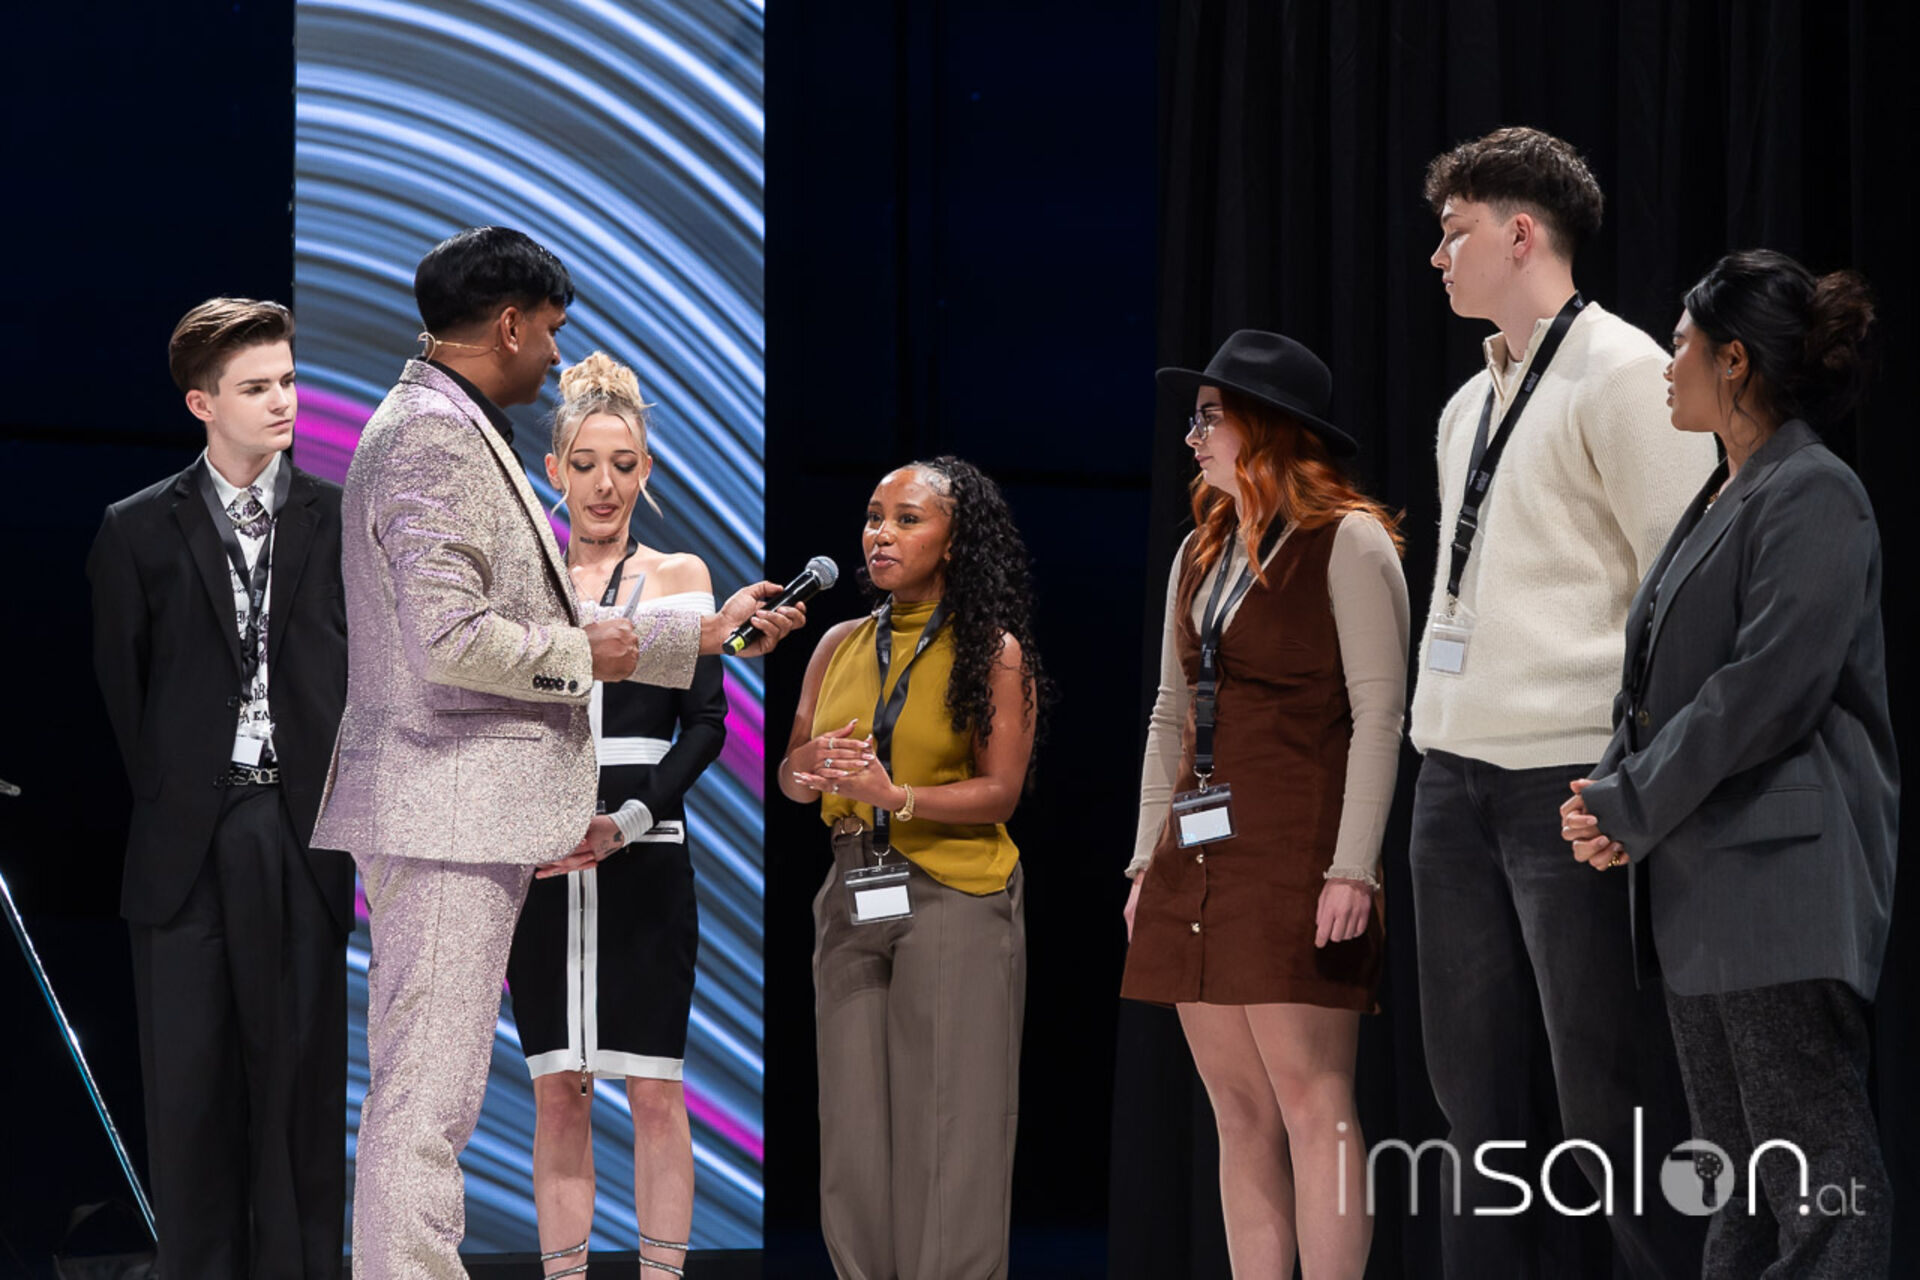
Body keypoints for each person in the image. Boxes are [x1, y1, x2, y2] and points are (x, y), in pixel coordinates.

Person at [310, 226, 802, 1274]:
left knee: (430, 1100)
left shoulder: (438, 424)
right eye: (549, 331)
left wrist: (701, 632)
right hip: (449, 811)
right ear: (507, 325)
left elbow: (522, 626)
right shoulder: (434, 438)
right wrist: (590, 652)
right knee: (425, 1105)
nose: (553, 354)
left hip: (472, 814)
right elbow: (452, 640)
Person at [1409, 127, 1715, 1277]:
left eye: (1455, 233)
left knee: (1606, 1096)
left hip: (1571, 781)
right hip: (1451, 779)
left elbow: (1685, 590)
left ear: (1521, 234)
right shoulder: (1463, 406)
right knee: (1470, 1105)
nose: (1438, 256)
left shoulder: (1627, 373)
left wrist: (1638, 784)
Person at [1561, 250, 1894, 1278]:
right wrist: (1610, 794)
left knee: (1821, 1188)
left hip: (1777, 888)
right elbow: (1659, 680)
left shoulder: (1816, 491)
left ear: (1734, 360)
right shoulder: (1724, 491)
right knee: (1737, 1194)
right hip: (1705, 888)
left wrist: (1631, 799)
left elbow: (1762, 690)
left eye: (1681, 345)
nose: (1667, 366)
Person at [1120, 331, 1408, 1278]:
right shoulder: (1197, 550)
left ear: (1267, 426)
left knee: (1312, 1100)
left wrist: (1353, 868)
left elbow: (1380, 716)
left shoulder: (1348, 539)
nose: (1192, 437)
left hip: (1297, 850)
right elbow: (1169, 714)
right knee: (1237, 1112)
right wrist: (1144, 860)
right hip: (1196, 855)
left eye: (1210, 417)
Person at [87, 298, 351, 1277]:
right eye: (256, 387)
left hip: (301, 830)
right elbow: (127, 695)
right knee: (190, 1098)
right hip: (186, 844)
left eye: (288, 379)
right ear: (202, 402)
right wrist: (191, 793)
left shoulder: (338, 520)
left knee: (298, 1098)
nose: (283, 400)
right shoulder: (136, 530)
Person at [777, 457, 1047, 1280]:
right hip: (852, 889)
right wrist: (807, 768)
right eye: (873, 517)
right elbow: (792, 774)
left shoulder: (992, 652)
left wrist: (895, 795)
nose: (880, 535)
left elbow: (1001, 791)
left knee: (950, 1126)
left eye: (906, 519)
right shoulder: (837, 644)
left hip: (953, 892)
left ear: (954, 542)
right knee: (853, 1128)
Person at [504, 352, 726, 1279]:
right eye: (587, 464)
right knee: (559, 1091)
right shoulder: (522, 575)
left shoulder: (678, 575)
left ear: (646, 470)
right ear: (555, 468)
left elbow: (705, 726)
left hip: (647, 855)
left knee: (654, 1092)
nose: (605, 485)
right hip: (541, 862)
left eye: (624, 465)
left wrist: (629, 820)